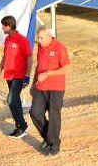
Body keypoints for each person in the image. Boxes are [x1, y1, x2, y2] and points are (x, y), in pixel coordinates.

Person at [30, 27, 70, 156]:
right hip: (41, 87)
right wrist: (33, 84)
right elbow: (38, 66)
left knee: (54, 116)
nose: (39, 41)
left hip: (56, 88)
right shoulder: (41, 47)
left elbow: (67, 69)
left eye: (41, 38)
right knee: (35, 113)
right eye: (38, 38)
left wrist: (48, 74)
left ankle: (54, 145)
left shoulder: (60, 48)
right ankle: (49, 138)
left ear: (49, 36)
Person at [0, 15, 32, 138]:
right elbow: (5, 56)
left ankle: (22, 126)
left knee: (11, 100)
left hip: (19, 75)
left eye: (3, 26)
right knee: (15, 101)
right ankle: (20, 126)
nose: (2, 28)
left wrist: (27, 76)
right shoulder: (7, 40)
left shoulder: (22, 40)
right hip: (9, 75)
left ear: (9, 26)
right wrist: (0, 68)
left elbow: (29, 58)